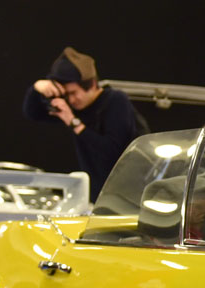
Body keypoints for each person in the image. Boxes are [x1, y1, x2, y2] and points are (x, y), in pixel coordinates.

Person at [22, 48, 138, 202]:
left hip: (129, 194)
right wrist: (37, 89)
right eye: (66, 94)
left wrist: (74, 123)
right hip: (97, 196)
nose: (70, 100)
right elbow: (33, 114)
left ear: (92, 85)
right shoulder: (76, 108)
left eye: (73, 93)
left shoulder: (115, 101)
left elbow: (113, 152)